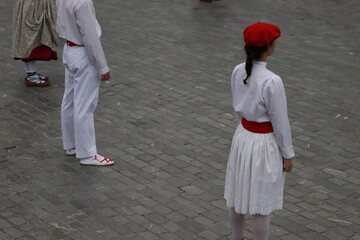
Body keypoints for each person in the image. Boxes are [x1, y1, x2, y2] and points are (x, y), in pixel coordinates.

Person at [224, 22, 295, 240]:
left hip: (243, 136)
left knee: (237, 194)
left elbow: (237, 106)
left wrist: (243, 130)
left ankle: (237, 237)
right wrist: (287, 153)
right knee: (260, 203)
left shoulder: (238, 70)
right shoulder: (272, 81)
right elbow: (280, 121)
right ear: (269, 47)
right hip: (264, 143)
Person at [56, 0, 114, 166]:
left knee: (69, 100)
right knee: (85, 105)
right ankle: (88, 153)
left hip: (69, 49)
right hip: (83, 53)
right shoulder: (82, 2)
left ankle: (71, 144)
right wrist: (103, 66)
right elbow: (90, 37)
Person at [11, 0, 58, 87]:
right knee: (28, 38)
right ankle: (31, 74)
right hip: (31, 5)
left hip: (37, 5)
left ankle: (31, 72)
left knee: (35, 37)